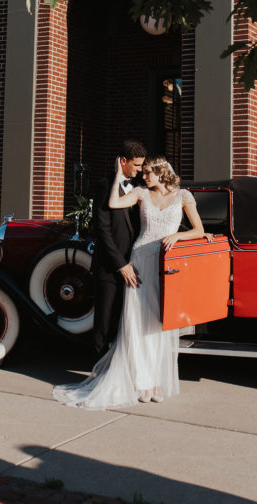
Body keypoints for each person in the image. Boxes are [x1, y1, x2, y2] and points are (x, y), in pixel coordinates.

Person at [53, 156, 210, 410]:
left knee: (160, 322)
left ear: (161, 174)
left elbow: (199, 229)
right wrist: (118, 174)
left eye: (148, 173)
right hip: (140, 260)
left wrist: (177, 236)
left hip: (166, 264)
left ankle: (157, 380)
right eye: (143, 172)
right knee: (137, 323)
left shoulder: (184, 196)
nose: (143, 177)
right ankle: (142, 381)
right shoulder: (140, 193)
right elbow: (114, 203)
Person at [91, 140, 146, 360]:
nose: (140, 170)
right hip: (109, 266)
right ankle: (97, 372)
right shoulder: (105, 184)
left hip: (134, 265)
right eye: (136, 165)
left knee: (124, 323)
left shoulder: (140, 186)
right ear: (123, 161)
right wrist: (120, 264)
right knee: (104, 323)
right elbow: (102, 229)